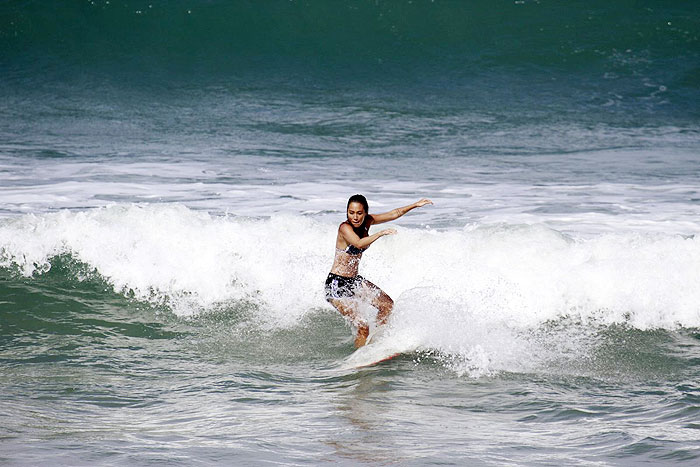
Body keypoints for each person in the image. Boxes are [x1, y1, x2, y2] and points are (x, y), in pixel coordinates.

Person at [325, 194, 433, 347]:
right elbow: (359, 243)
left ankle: (375, 342)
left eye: (359, 213)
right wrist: (380, 233)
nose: (355, 217)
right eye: (351, 212)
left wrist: (415, 205)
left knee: (387, 305)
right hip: (337, 284)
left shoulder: (368, 221)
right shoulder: (344, 228)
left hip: (353, 281)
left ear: (365, 212)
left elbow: (394, 214)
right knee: (362, 325)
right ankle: (359, 357)